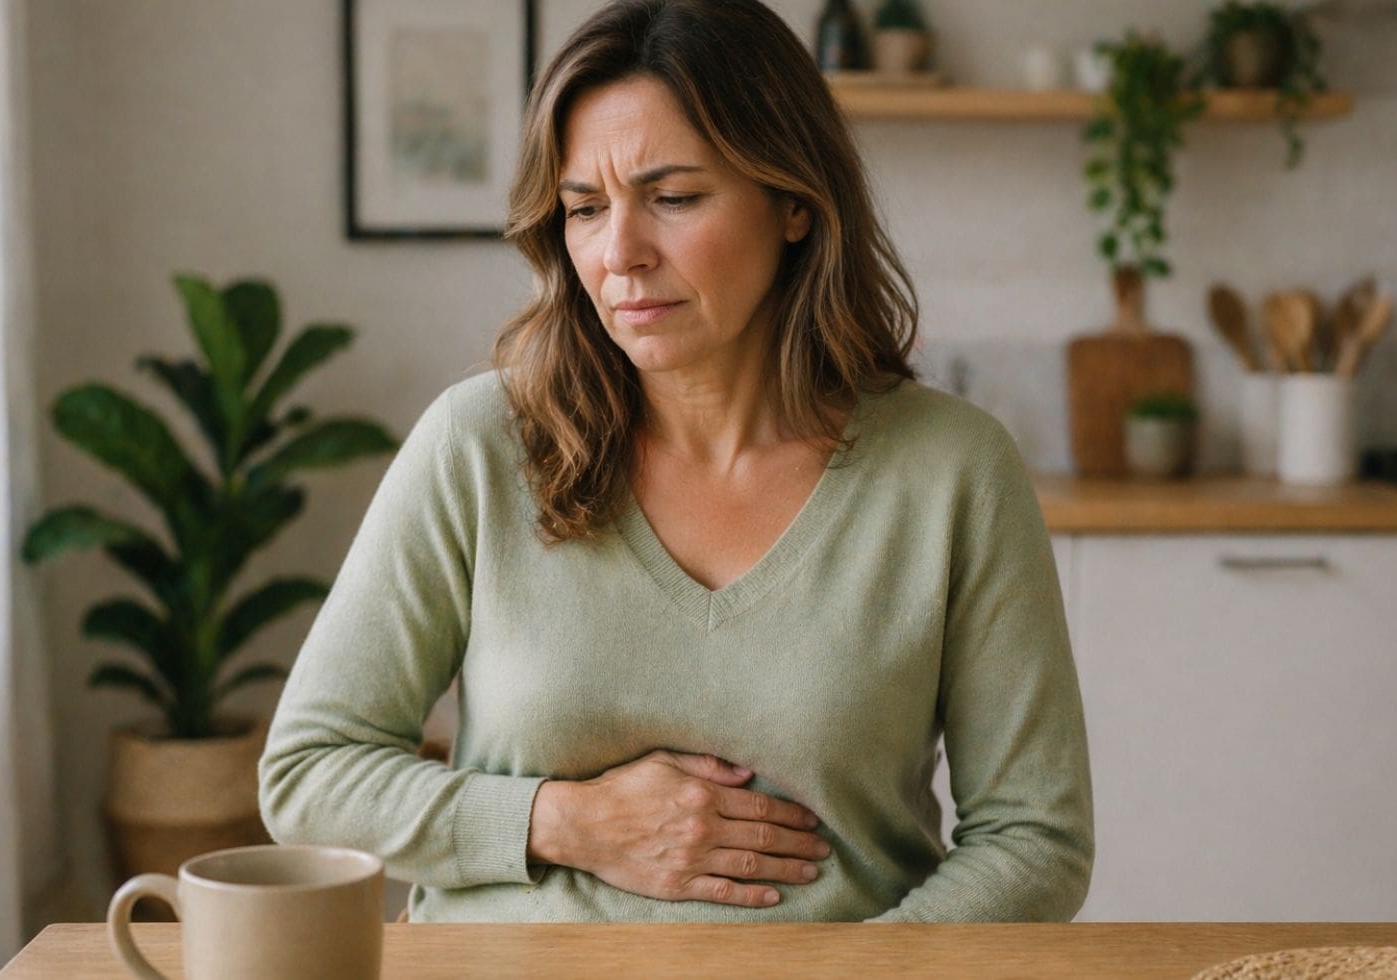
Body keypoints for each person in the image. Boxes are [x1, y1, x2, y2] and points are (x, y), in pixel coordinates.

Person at [259, 0, 1092, 923]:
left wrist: (860, 971)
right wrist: (565, 821)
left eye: (674, 198)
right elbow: (308, 772)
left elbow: (1034, 838)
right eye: (583, 208)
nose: (620, 254)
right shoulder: (477, 446)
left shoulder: (952, 472)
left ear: (796, 206)